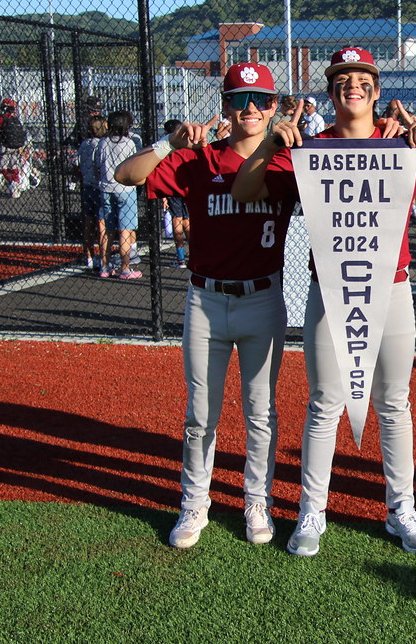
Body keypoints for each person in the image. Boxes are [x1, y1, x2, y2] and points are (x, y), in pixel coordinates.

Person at [231, 46, 416, 557]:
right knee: (325, 403)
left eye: (362, 78)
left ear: (376, 87)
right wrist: (273, 142)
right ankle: (312, 511)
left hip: (392, 287)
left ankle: (401, 509)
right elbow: (243, 192)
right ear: (330, 90)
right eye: (342, 79)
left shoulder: (402, 143)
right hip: (332, 288)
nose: (352, 86)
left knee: (394, 403)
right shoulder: (310, 146)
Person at [114, 62, 294, 549]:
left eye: (260, 100)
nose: (250, 109)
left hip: (263, 296)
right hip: (207, 298)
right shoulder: (198, 158)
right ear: (225, 107)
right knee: (201, 413)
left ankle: (258, 500)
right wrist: (171, 142)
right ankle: (194, 503)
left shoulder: (287, 162)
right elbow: (125, 174)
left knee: (261, 412)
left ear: (275, 106)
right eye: (238, 99)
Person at [94, 110, 142, 279]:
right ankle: (125, 268)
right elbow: (134, 165)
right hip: (125, 189)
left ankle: (105, 267)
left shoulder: (103, 142)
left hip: (106, 188)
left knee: (107, 230)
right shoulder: (129, 143)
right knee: (125, 230)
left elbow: (97, 164)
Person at [157, 119, 190, 268]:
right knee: (187, 221)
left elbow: (160, 170)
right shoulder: (186, 145)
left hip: (173, 186)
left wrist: (163, 194)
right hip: (187, 186)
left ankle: (181, 258)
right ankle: (191, 255)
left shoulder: (165, 146)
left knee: (178, 220)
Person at [77, 115, 107, 271]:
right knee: (101, 225)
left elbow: (78, 165)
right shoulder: (101, 145)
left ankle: (88, 256)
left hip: (87, 185)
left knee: (88, 223)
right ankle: (103, 261)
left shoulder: (84, 144)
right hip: (99, 186)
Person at [0, 98, 29, 199]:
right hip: (16, 146)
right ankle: (15, 184)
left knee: (3, 167)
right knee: (14, 167)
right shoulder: (16, 119)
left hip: (5, 146)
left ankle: (11, 182)